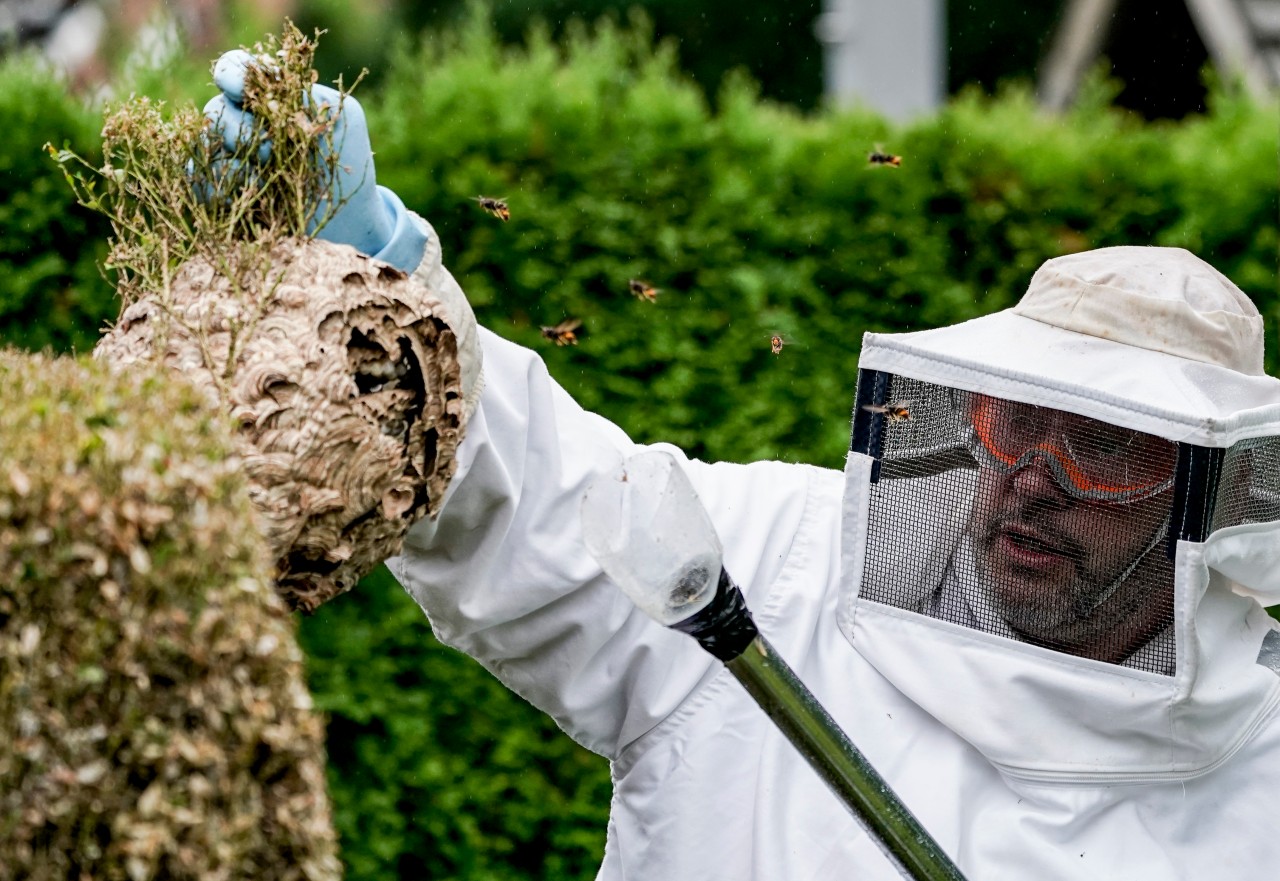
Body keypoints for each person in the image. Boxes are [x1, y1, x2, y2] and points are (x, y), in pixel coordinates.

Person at [206, 53, 1280, 880]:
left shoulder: (1257, 779)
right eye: (1010, 424)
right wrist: (377, 282)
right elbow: (533, 505)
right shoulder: (781, 560)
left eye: (1098, 444)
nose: (1030, 476)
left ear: (1212, 499)